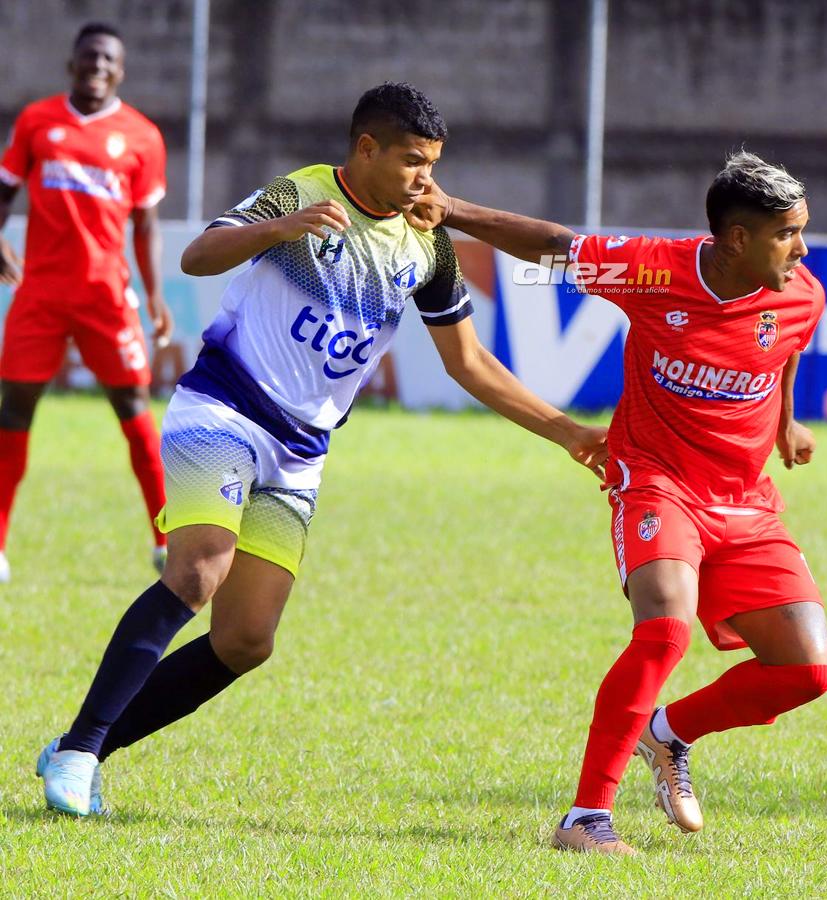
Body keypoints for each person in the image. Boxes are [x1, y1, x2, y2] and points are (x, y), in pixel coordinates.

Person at [36, 81, 608, 816]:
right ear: (365, 149)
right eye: (411, 162)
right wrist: (279, 230)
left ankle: (80, 749)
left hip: (300, 451)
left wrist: (567, 433)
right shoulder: (298, 193)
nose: (424, 180)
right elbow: (201, 256)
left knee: (245, 640)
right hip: (226, 408)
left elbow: (469, 362)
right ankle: (83, 751)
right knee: (198, 569)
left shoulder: (427, 241)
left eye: (432, 164)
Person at [410, 151, 827, 854]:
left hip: (743, 500)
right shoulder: (653, 270)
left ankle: (666, 733)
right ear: (736, 238)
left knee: (808, 668)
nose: (803, 247)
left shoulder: (801, 291)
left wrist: (786, 419)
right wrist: (453, 211)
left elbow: (786, 346)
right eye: (788, 232)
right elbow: (556, 249)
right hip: (656, 480)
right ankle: (586, 820)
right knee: (665, 629)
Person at [0, 22, 173, 581]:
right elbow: (3, 193)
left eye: (108, 60)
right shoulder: (37, 121)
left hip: (106, 298)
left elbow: (146, 227)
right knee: (12, 413)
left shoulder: (142, 137)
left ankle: (165, 539)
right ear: (71, 64)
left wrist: (154, 295)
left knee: (134, 413)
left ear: (120, 71)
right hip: (41, 295)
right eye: (89, 57)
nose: (98, 67)